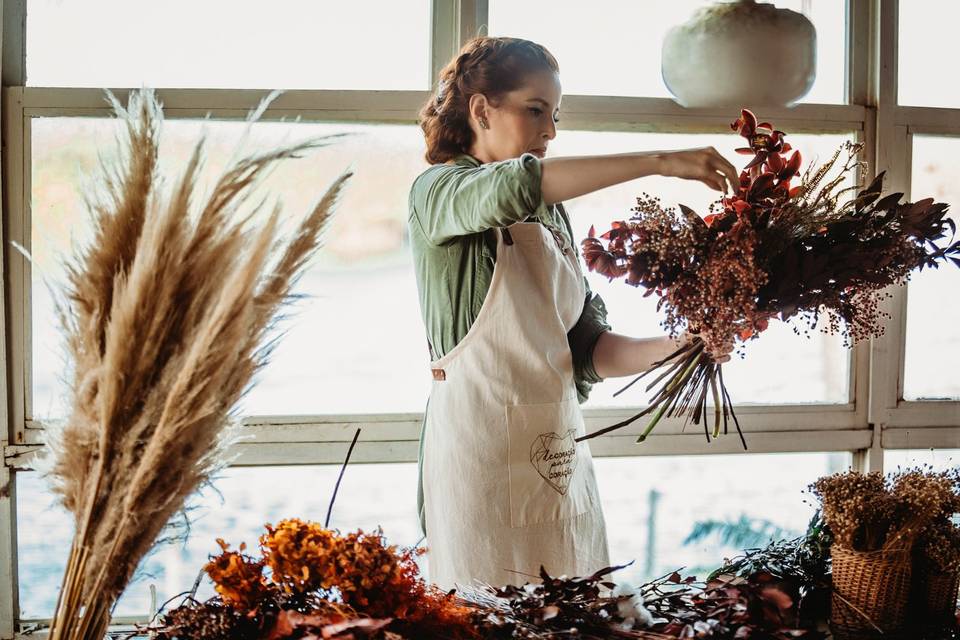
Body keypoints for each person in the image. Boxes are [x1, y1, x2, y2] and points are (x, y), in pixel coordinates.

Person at [409, 36, 739, 591]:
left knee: (580, 611)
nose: (551, 132)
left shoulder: (552, 212)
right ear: (482, 110)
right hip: (478, 459)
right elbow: (509, 190)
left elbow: (589, 351)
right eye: (536, 111)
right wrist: (661, 162)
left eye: (555, 115)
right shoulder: (436, 193)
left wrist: (688, 342)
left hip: (560, 462)